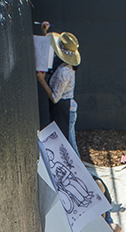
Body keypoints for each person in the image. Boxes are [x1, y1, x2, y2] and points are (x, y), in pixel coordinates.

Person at [36, 24, 81, 154]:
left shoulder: (64, 72)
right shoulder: (61, 62)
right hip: (62, 107)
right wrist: (44, 32)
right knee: (63, 141)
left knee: (69, 143)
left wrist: (42, 81)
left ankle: (80, 173)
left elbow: (55, 98)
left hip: (65, 108)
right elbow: (48, 53)